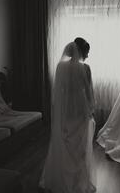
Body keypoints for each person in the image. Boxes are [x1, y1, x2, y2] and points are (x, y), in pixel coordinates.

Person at [39, 37, 96, 193]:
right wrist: (91, 109)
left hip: (66, 108)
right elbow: (89, 92)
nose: (88, 55)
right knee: (80, 144)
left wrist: (59, 109)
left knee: (66, 141)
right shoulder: (86, 68)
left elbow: (58, 90)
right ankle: (77, 178)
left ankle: (63, 176)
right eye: (87, 52)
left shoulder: (60, 67)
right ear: (81, 51)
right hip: (80, 107)